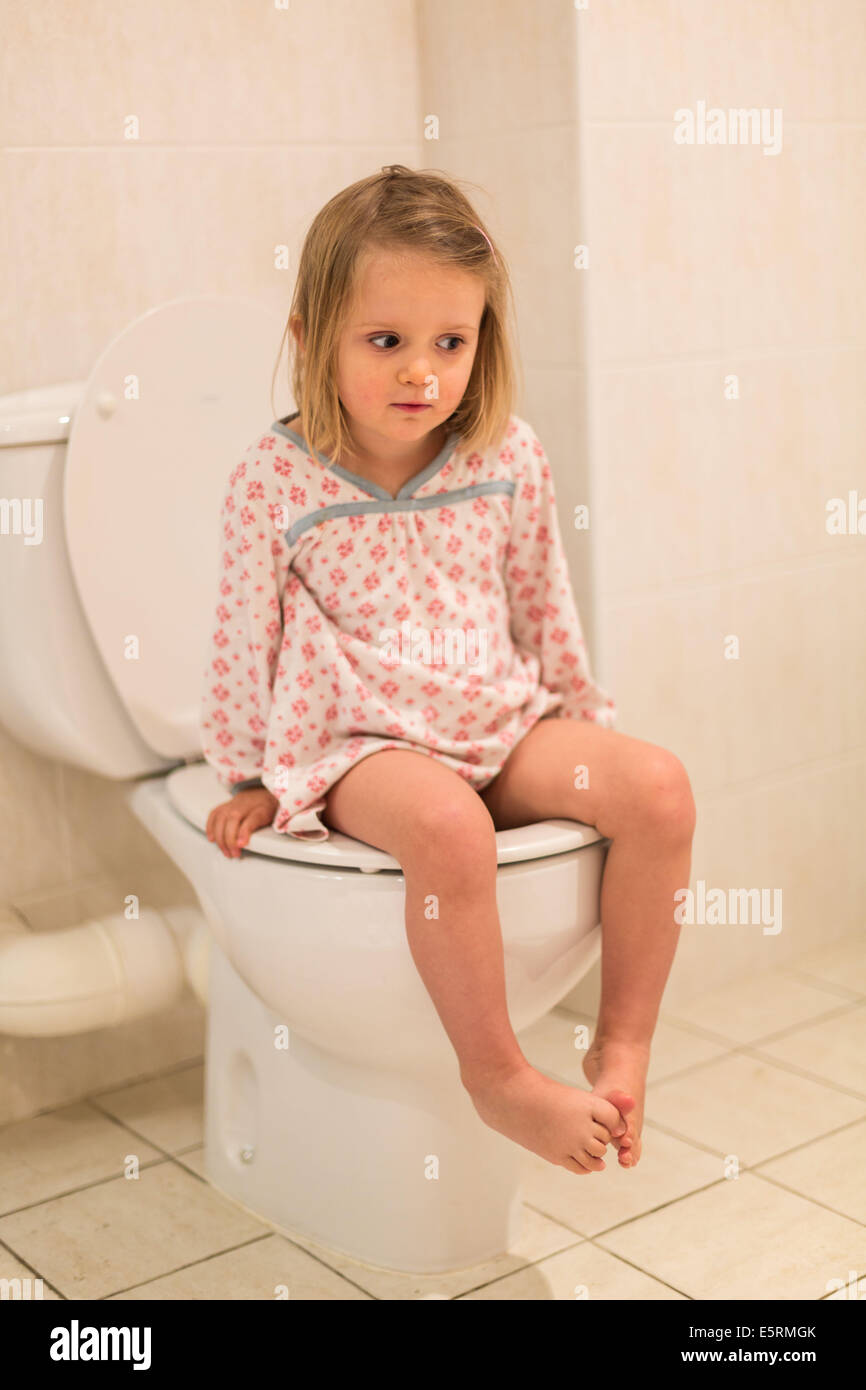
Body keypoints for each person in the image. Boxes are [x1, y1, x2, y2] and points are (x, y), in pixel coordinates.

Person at [200, 164, 696, 1176]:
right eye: (385, 340)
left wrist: (581, 716)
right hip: (361, 743)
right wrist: (248, 772)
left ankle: (624, 1038)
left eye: (449, 342)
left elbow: (540, 596)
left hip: (497, 721)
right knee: (444, 828)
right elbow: (239, 636)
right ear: (311, 339)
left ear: (483, 340)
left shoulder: (504, 452)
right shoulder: (274, 480)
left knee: (656, 789)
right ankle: (497, 1074)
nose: (421, 371)